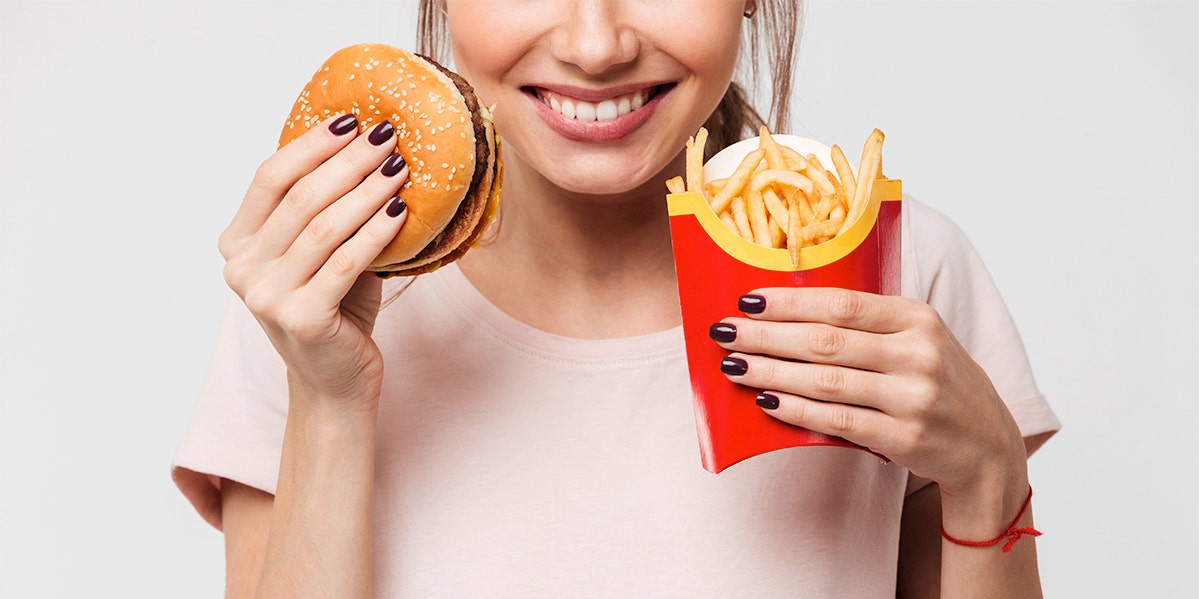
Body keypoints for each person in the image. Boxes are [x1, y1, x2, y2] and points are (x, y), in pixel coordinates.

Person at [172, 1, 1061, 596]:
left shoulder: (896, 270)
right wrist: (330, 400)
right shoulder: (309, 303)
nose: (597, 46)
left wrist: (988, 479)